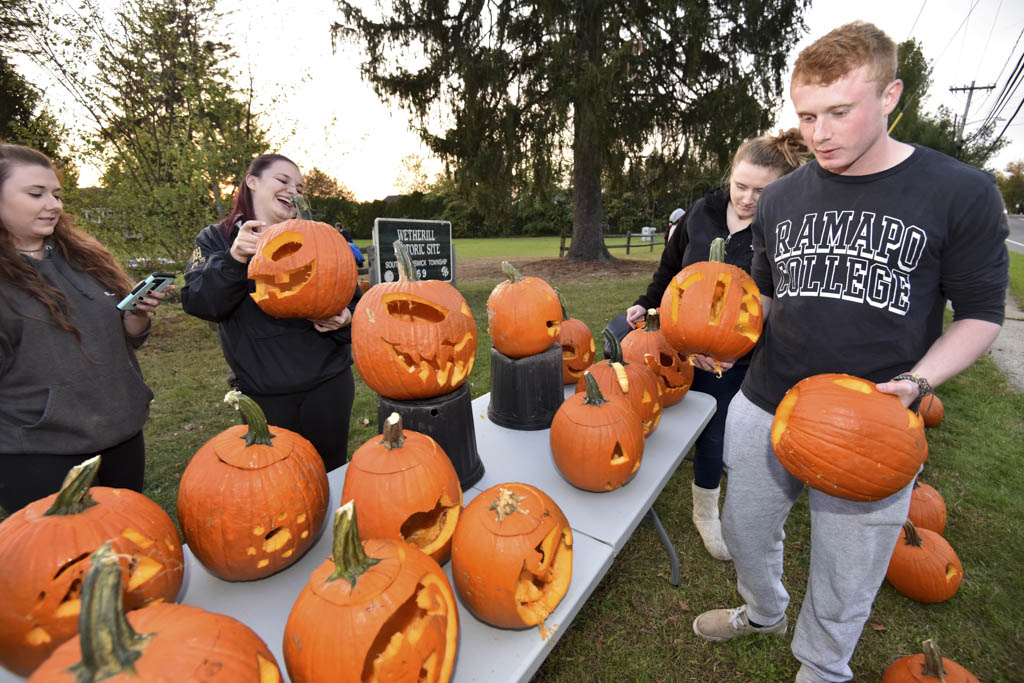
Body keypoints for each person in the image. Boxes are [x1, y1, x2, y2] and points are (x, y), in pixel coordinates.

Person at [692, 22, 1009, 683]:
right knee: (745, 530)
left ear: (890, 94)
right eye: (807, 115)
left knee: (847, 567)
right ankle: (764, 608)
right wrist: (727, 332)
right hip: (768, 399)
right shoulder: (780, 199)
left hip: (875, 419)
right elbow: (771, 298)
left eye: (840, 111)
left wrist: (920, 380)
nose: (820, 132)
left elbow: (980, 317)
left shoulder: (961, 192)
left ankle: (823, 665)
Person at [624, 130, 808, 561]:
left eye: (761, 191)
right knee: (652, 403)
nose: (746, 199)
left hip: (737, 353)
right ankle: (634, 472)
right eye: (740, 186)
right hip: (678, 338)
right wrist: (645, 304)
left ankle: (705, 509)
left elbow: (779, 304)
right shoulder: (700, 213)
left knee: (713, 426)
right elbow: (671, 269)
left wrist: (732, 350)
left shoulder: (786, 230)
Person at [0, 143, 167, 513]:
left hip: (122, 436)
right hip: (41, 456)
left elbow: (129, 336)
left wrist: (135, 315)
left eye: (57, 194)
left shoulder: (83, 259)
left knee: (128, 543)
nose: (54, 205)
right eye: (36, 194)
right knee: (67, 564)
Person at [181, 154, 360, 472]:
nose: (294, 191)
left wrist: (345, 319)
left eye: (301, 187)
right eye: (283, 180)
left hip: (327, 385)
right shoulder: (217, 239)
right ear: (252, 181)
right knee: (277, 483)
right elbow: (200, 302)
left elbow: (356, 306)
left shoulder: (322, 238)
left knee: (331, 473)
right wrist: (235, 258)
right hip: (265, 392)